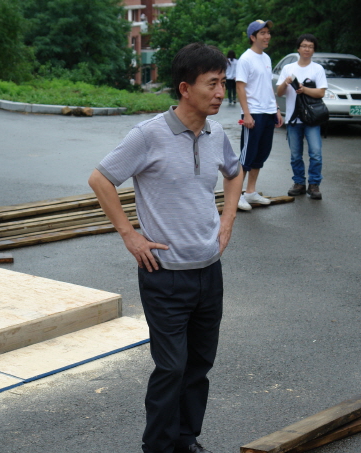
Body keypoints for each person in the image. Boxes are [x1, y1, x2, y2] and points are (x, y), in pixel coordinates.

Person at [88, 42, 244, 453]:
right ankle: (158, 446)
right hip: (164, 275)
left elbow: (234, 172)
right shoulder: (149, 135)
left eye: (223, 83)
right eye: (212, 84)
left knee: (199, 365)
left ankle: (186, 438)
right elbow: (101, 179)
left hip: (208, 270)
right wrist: (130, 234)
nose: (220, 93)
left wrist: (228, 219)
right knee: (171, 367)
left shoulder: (215, 133)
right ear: (185, 88)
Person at [235, 19, 284, 211]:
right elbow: (240, 87)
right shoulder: (245, 59)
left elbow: (267, 87)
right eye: (262, 33)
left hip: (267, 112)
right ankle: (236, 195)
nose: (267, 36)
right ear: (252, 37)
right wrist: (246, 114)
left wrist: (276, 109)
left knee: (261, 154)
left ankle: (250, 192)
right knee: (247, 156)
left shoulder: (266, 58)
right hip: (253, 113)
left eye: (268, 33)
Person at [276, 33, 327, 200]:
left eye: (310, 47)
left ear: (314, 50)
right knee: (295, 154)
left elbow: (321, 92)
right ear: (298, 48)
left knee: (316, 152)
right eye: (304, 46)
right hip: (293, 118)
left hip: (312, 118)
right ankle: (298, 182)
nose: (307, 49)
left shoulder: (317, 69)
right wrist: (286, 82)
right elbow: (279, 92)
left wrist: (304, 89)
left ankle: (314, 184)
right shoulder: (288, 68)